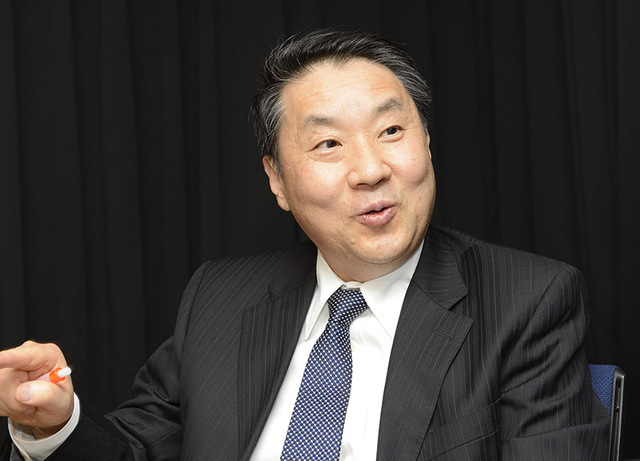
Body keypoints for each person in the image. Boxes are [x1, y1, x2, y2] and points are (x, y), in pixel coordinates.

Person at [0, 28, 608, 460]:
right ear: (277, 181)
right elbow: (136, 450)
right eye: (328, 145)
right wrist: (56, 425)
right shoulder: (220, 298)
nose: (370, 169)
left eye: (391, 130)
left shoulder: (526, 301)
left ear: (426, 142)